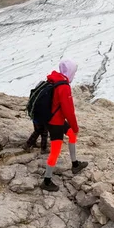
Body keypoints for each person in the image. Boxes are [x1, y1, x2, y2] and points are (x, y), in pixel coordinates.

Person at [41, 59, 88, 192]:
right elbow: (69, 111)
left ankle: (75, 164)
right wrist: (75, 127)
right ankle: (47, 180)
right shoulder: (63, 86)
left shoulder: (54, 79)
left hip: (52, 118)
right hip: (55, 122)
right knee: (56, 150)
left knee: (71, 135)